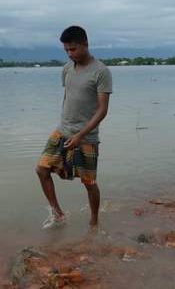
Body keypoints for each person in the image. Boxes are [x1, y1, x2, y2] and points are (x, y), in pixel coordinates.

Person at [35, 25, 112, 228]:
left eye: (73, 49)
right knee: (41, 170)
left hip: (86, 137)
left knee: (89, 183)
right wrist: (67, 130)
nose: (70, 54)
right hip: (62, 131)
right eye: (66, 50)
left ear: (85, 44)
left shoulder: (101, 72)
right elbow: (69, 98)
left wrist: (80, 135)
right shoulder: (67, 68)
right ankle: (57, 213)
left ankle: (94, 222)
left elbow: (102, 110)